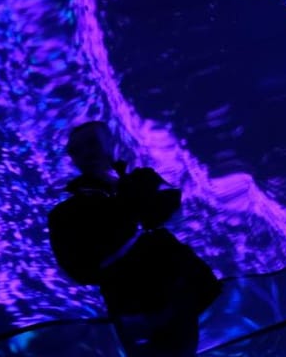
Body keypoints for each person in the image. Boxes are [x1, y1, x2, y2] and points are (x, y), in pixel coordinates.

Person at [48, 121, 221, 355]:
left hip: (181, 297)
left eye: (92, 143)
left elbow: (172, 211)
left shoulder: (142, 181)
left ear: (111, 144)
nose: (87, 153)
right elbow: (80, 270)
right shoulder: (65, 214)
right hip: (140, 311)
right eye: (77, 150)